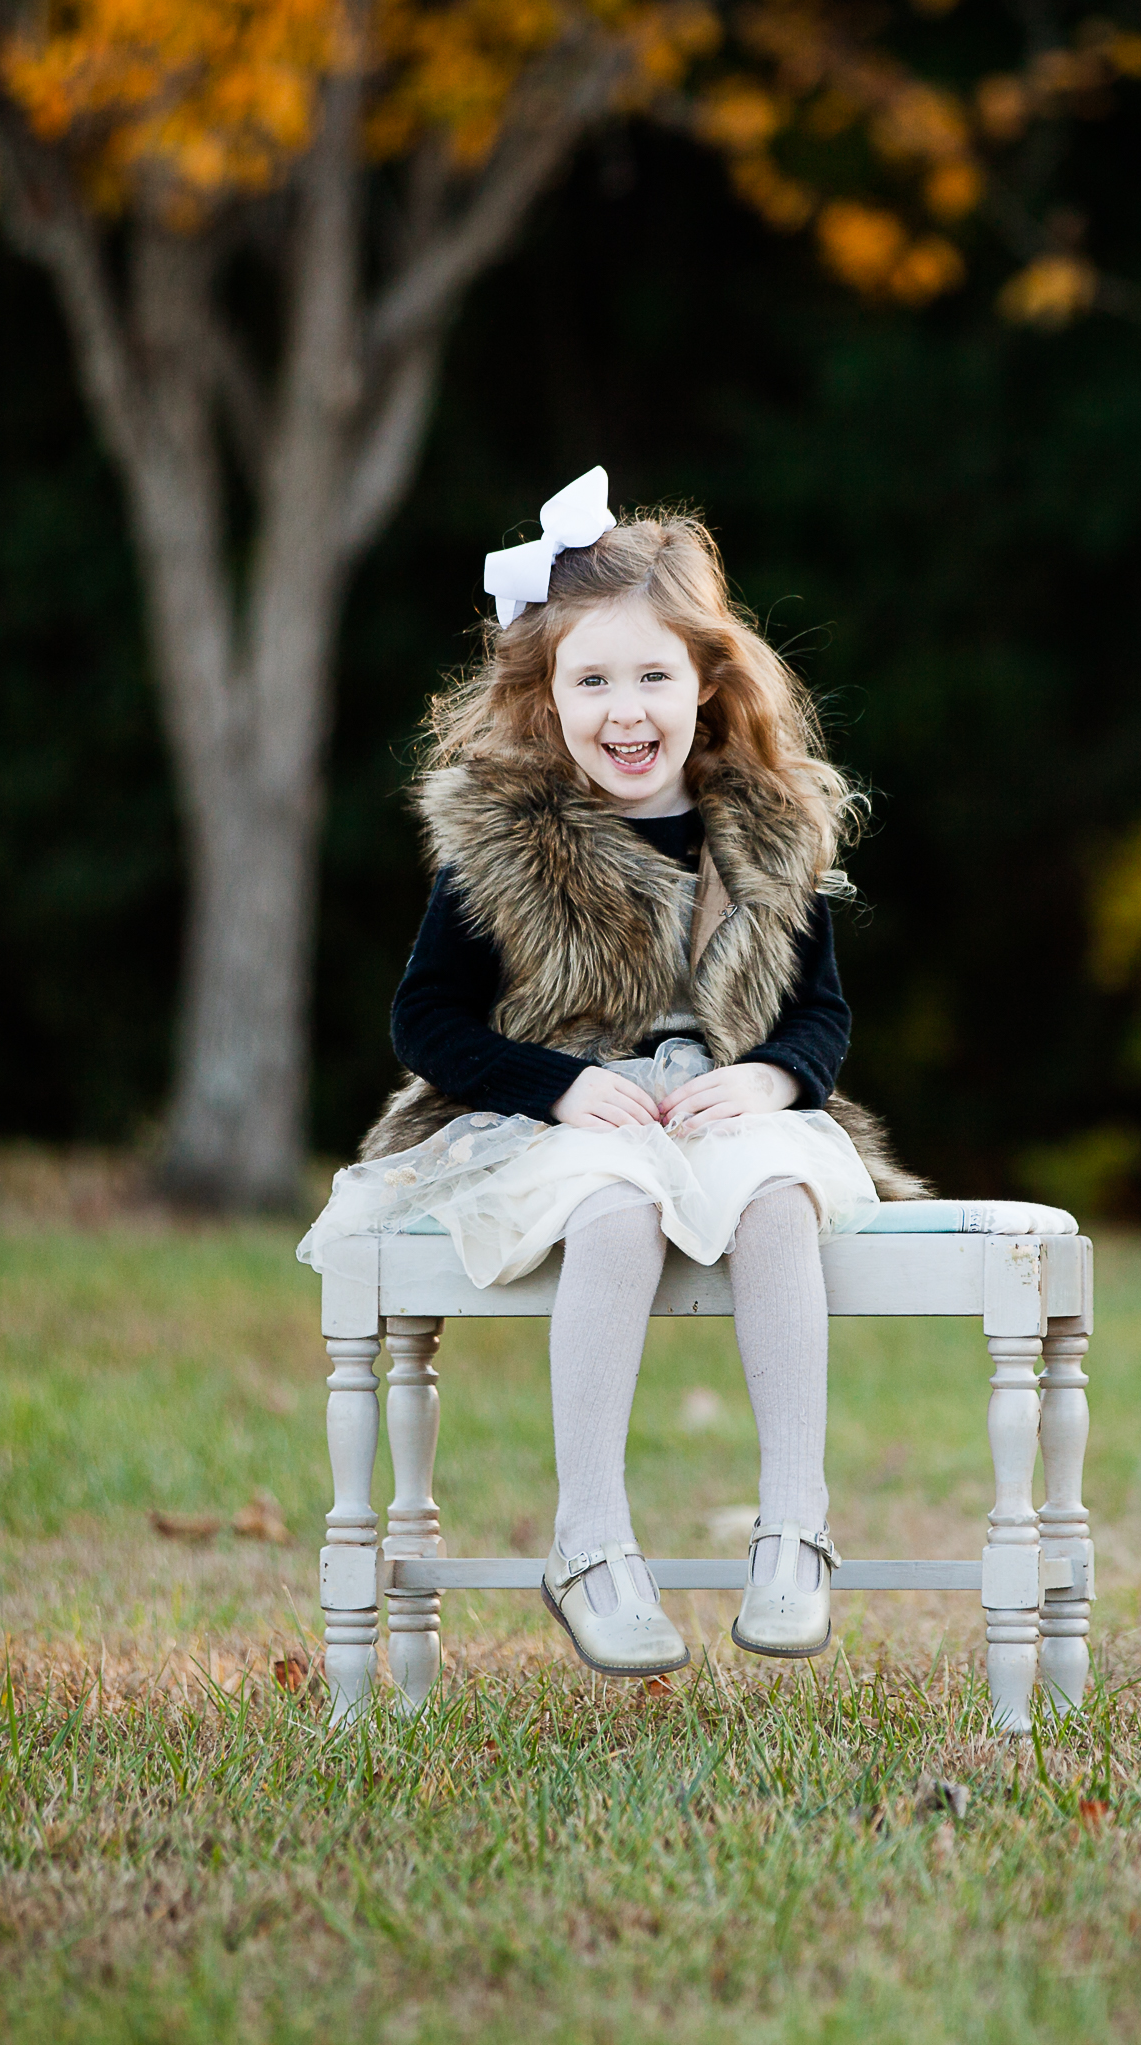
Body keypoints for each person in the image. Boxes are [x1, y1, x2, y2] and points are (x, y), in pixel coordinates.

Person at [320, 471, 925, 1679]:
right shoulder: (503, 839)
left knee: (773, 1188)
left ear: (706, 681)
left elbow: (819, 1017)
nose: (624, 708)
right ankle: (588, 1541)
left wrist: (767, 1084)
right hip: (555, 1116)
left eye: (651, 675)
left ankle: (794, 1527)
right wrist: (551, 1083)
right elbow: (422, 1017)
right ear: (545, 700)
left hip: (719, 1107)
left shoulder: (766, 829)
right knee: (611, 1197)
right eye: (589, 680)